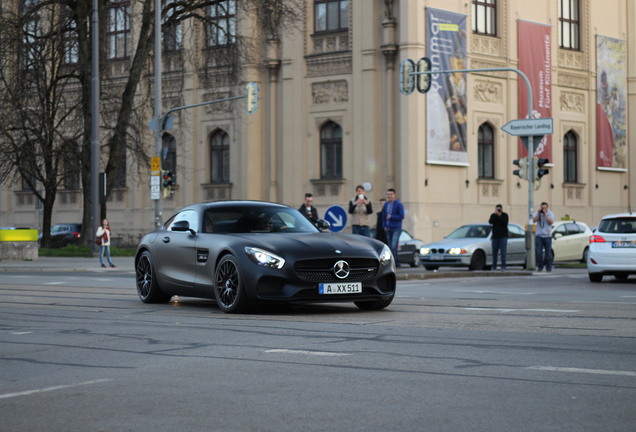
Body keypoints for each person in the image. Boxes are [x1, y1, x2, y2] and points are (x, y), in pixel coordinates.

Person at [382, 188, 405, 266]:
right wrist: (384, 225)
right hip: (388, 228)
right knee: (390, 247)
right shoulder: (386, 204)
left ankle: (395, 263)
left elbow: (401, 216)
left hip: (396, 228)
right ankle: (395, 262)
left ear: (394, 195)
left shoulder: (399, 204)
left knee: (393, 245)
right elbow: (384, 216)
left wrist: (391, 217)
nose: (389, 196)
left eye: (391, 194)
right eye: (388, 194)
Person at [533, 202, 555, 272]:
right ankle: (540, 267)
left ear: (547, 208)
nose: (543, 209)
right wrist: (539, 214)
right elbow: (533, 220)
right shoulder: (538, 213)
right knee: (538, 252)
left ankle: (548, 267)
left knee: (548, 253)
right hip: (539, 236)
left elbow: (551, 222)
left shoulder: (550, 213)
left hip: (547, 236)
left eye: (545, 208)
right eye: (542, 208)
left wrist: (545, 215)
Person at [488, 204, 509, 271]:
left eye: (499, 209)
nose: (498, 210)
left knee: (503, 253)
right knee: (494, 253)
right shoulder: (493, 215)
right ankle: (494, 266)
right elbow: (490, 222)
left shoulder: (505, 215)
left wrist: (500, 215)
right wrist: (495, 214)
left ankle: (503, 266)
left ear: (502, 209)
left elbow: (505, 222)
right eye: (497, 209)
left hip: (503, 237)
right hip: (495, 237)